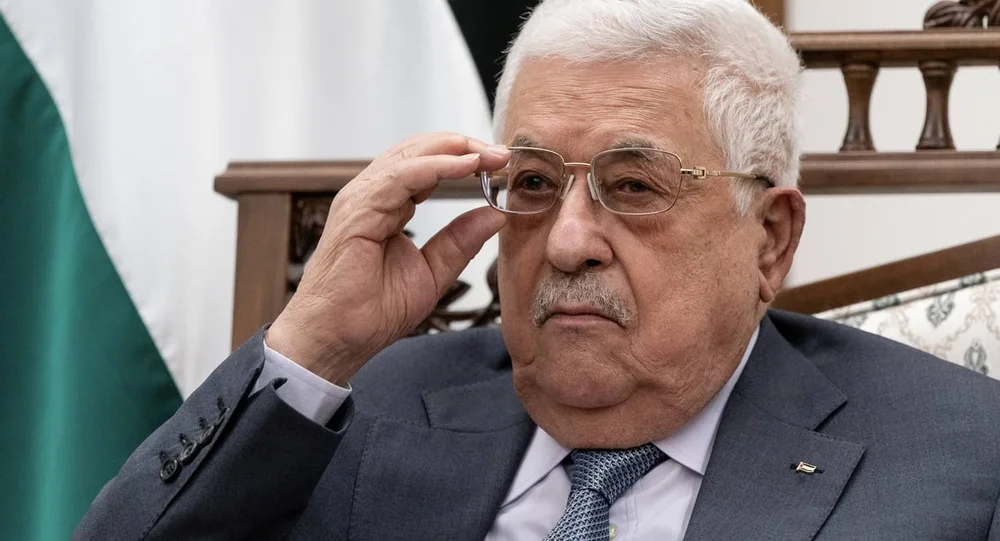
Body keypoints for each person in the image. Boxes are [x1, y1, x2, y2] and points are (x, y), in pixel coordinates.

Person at [74, 1, 1000, 539]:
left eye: (633, 186)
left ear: (770, 240)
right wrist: (310, 342)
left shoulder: (958, 456)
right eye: (533, 183)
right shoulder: (365, 409)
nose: (566, 241)